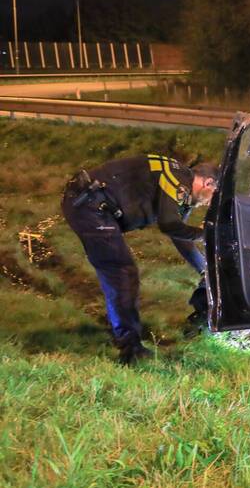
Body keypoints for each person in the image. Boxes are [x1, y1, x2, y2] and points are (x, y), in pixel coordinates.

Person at [61, 155, 219, 364]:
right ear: (208, 182)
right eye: (213, 195)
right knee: (122, 272)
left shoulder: (181, 182)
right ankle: (130, 350)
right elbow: (169, 225)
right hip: (90, 206)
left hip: (93, 203)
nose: (209, 203)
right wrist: (204, 234)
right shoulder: (177, 179)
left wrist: (204, 270)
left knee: (122, 272)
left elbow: (179, 235)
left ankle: (127, 336)